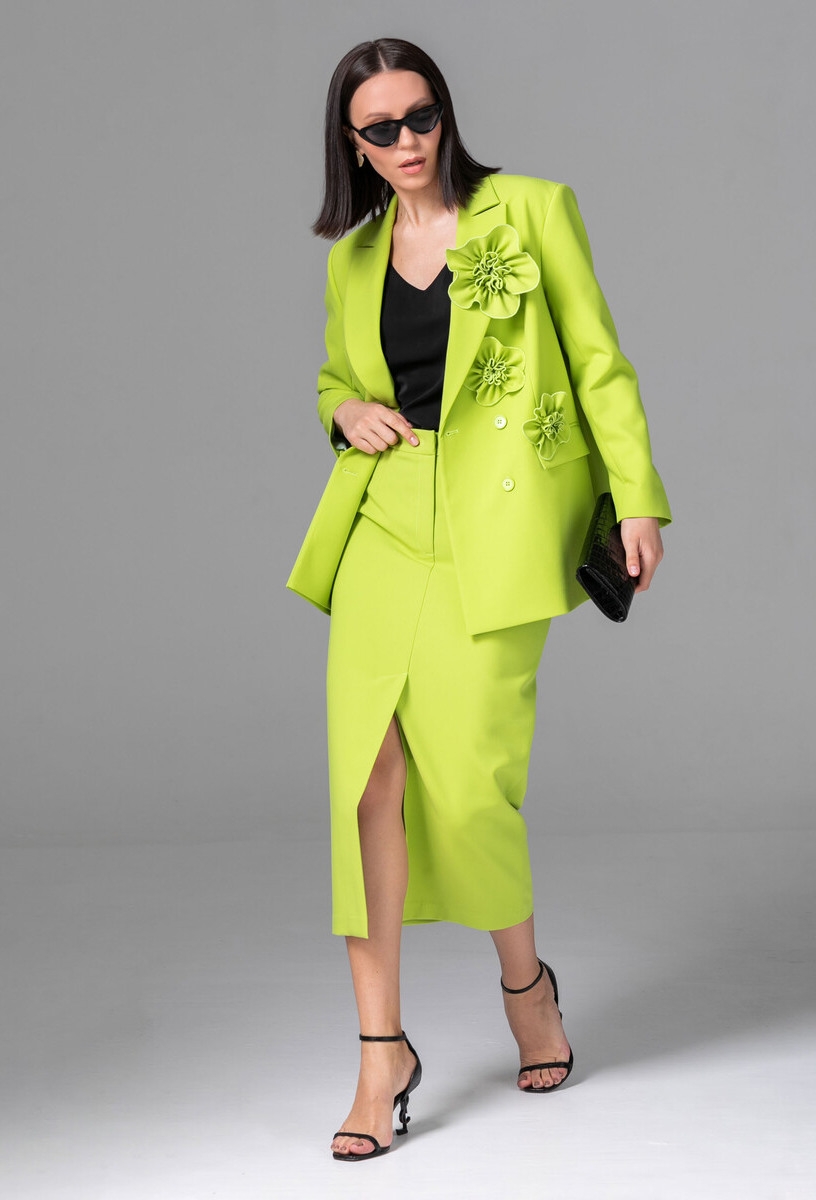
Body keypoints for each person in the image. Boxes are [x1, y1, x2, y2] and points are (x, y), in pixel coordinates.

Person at [286, 37, 672, 1162]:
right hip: (386, 523)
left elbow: (599, 361)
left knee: (469, 788)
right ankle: (381, 1055)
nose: (408, 142)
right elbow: (339, 377)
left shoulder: (534, 210)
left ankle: (525, 986)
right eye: (382, 129)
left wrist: (637, 498)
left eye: (422, 118)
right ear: (352, 143)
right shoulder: (353, 258)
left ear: (445, 115)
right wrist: (342, 411)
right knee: (368, 782)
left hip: (496, 531)